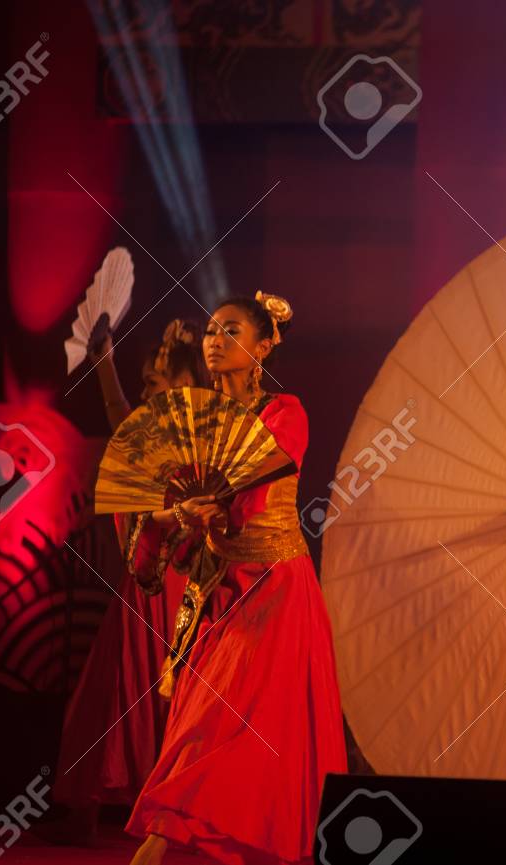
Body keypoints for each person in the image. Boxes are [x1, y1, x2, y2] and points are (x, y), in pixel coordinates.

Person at [123, 292, 347, 865]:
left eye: (231, 331)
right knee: (199, 729)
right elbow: (160, 523)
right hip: (219, 591)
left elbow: (258, 479)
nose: (215, 341)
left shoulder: (284, 411)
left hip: (276, 592)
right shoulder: (193, 421)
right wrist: (163, 525)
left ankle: (166, 840)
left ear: (264, 346)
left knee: (248, 738)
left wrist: (210, 508)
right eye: (211, 333)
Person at [46, 319, 207, 845]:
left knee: (175, 700)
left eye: (155, 384)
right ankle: (87, 811)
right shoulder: (149, 437)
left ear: (185, 386)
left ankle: (167, 818)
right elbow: (121, 417)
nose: (145, 394)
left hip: (183, 589)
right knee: (112, 692)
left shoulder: (204, 441)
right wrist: (105, 365)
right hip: (142, 586)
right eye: (144, 384)